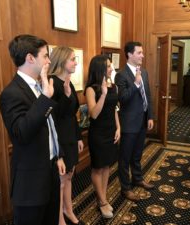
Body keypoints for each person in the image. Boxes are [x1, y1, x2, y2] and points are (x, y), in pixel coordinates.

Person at [0, 34, 66, 225]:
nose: (49, 60)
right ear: (30, 58)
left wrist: (58, 155)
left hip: (50, 171)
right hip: (30, 183)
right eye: (45, 56)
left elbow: (50, 126)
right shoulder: (11, 93)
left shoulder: (39, 86)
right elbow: (21, 133)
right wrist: (45, 98)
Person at [48, 46, 84, 225]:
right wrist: (66, 96)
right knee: (61, 181)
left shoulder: (69, 82)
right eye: (72, 59)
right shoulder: (52, 82)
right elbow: (53, 116)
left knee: (69, 175)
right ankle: (59, 218)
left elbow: (72, 114)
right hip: (58, 140)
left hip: (70, 136)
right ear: (62, 61)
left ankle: (68, 210)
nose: (76, 62)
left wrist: (78, 137)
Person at [115, 41, 154, 202]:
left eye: (142, 52)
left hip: (143, 121)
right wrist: (136, 84)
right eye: (139, 53)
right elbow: (122, 98)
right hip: (129, 123)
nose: (142, 56)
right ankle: (126, 188)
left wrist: (150, 116)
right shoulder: (121, 75)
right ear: (130, 54)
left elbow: (148, 95)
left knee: (137, 154)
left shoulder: (144, 72)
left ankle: (137, 178)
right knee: (125, 158)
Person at [85, 55, 120, 218]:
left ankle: (102, 198)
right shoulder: (91, 89)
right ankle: (103, 202)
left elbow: (114, 109)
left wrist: (118, 127)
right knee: (98, 167)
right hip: (98, 134)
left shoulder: (113, 86)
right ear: (100, 68)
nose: (111, 68)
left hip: (111, 130)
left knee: (107, 166)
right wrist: (104, 94)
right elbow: (93, 114)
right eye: (108, 66)